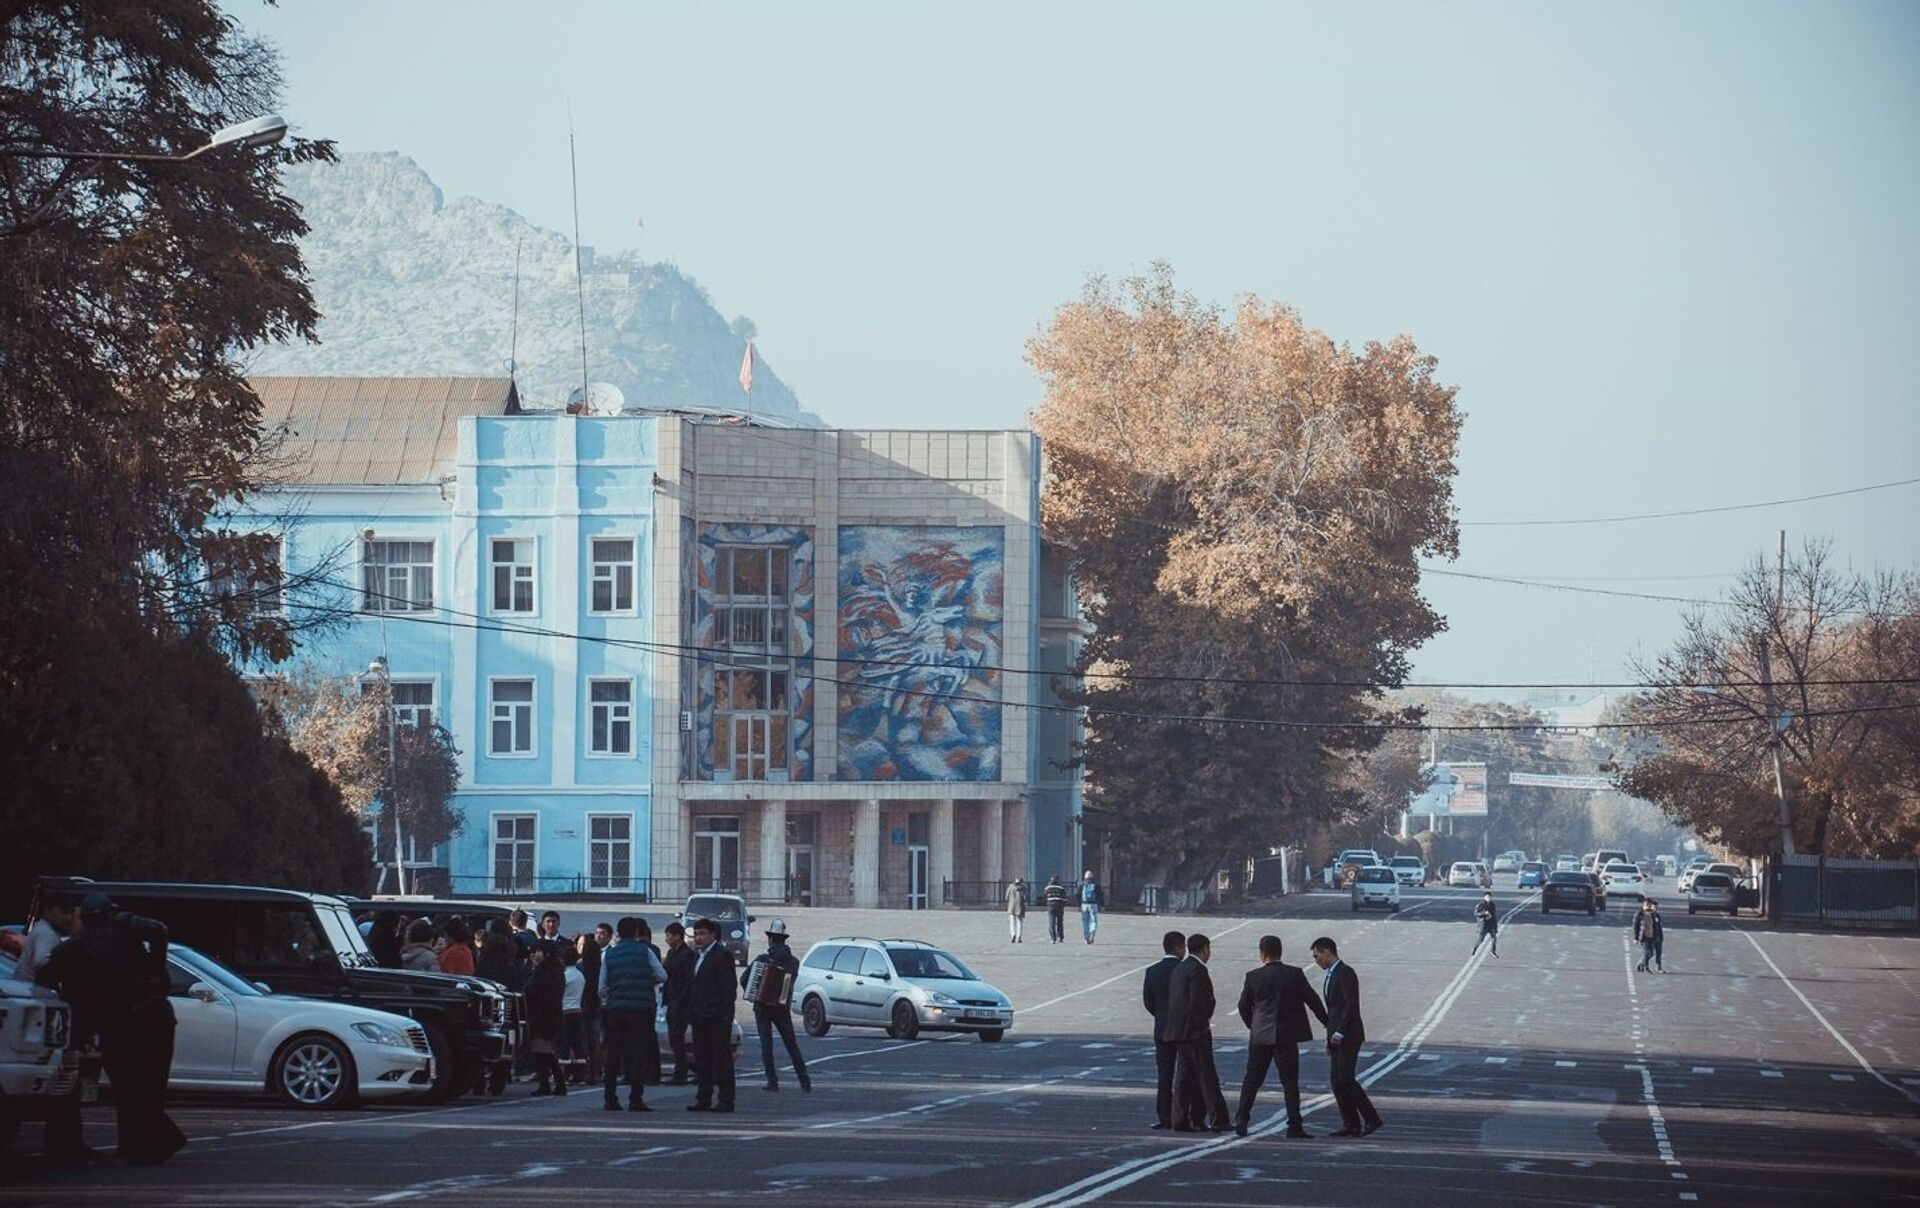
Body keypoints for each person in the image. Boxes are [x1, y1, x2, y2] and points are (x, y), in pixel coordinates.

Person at [36, 894, 187, 1165]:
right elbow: (159, 931)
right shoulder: (127, 934)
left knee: (128, 1086)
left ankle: (143, 1144)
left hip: (122, 1021)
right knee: (149, 1085)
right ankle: (145, 1144)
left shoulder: (78, 946)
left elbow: (48, 975)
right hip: (153, 1014)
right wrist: (156, 969)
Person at [1234, 935, 1327, 1139]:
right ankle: (1294, 1125)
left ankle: (1242, 1119)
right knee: (1290, 1083)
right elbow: (1312, 1000)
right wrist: (1328, 1023)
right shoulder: (1294, 974)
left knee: (1252, 1080)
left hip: (1260, 1036)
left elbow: (1243, 1006)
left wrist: (1254, 1025)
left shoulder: (1253, 976)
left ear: (1262, 954)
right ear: (1280, 952)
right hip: (1286, 1036)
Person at [1311, 936, 1381, 1137]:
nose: (1316, 962)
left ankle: (1371, 1118)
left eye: (1317, 957)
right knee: (1336, 1081)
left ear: (1327, 952)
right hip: (1335, 1036)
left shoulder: (1345, 973)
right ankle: (1350, 1124)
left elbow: (1351, 1005)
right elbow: (1333, 1010)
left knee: (1346, 1079)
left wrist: (1340, 1032)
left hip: (1348, 1035)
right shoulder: (1332, 974)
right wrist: (1329, 1037)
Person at [599, 916, 667, 1112]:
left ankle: (610, 1097)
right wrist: (647, 982)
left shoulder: (610, 954)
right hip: (642, 1009)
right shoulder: (645, 951)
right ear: (637, 932)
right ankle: (636, 1098)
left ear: (618, 933)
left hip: (616, 1009)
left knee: (613, 1054)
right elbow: (662, 975)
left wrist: (610, 998)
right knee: (638, 1053)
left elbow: (602, 986)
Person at [1166, 932, 1230, 1132]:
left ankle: (1179, 1119)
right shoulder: (1198, 971)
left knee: (1183, 1077)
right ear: (1205, 949)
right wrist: (1202, 1024)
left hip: (1178, 1030)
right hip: (1195, 1032)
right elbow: (1198, 1003)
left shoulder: (1179, 969)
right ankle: (1218, 1118)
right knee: (1207, 1076)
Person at [741, 919, 811, 1092]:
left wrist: (754, 993)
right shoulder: (793, 962)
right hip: (781, 1008)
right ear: (784, 940)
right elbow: (789, 983)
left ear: (770, 939)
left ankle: (772, 1081)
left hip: (762, 1008)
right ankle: (804, 1081)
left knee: (766, 1044)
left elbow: (744, 979)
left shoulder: (762, 959)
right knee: (791, 1044)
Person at [686, 917, 738, 1112]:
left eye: (702, 934)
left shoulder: (721, 955)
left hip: (716, 1017)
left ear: (713, 935)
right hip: (699, 1016)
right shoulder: (697, 956)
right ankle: (703, 1098)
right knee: (702, 1059)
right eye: (696, 934)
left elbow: (728, 988)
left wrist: (725, 1014)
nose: (698, 938)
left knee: (721, 1059)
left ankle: (726, 1100)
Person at [1141, 930, 1186, 1130]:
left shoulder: (1152, 971)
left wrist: (1161, 1016)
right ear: (1178, 947)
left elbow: (1148, 1001)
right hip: (1184, 1029)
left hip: (1161, 1028)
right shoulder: (1186, 970)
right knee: (1186, 1074)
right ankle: (1184, 1115)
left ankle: (1164, 1116)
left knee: (1164, 1075)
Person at [525, 939, 568, 1096]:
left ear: (546, 954)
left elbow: (533, 990)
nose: (534, 954)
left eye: (537, 951)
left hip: (543, 1015)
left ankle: (549, 1083)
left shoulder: (546, 972)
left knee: (542, 1051)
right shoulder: (554, 970)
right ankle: (555, 1083)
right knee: (543, 1051)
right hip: (548, 1015)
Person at [17, 893, 79, 983]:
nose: (69, 917)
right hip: (28, 988)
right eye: (64, 912)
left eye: (71, 912)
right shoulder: (45, 932)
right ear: (48, 911)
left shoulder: (47, 929)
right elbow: (41, 962)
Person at [661, 921, 695, 1085]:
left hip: (681, 1002)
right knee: (674, 1039)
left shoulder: (686, 954)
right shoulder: (672, 952)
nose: (667, 939)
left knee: (677, 1038)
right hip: (671, 999)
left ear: (677, 936)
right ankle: (680, 1071)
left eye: (669, 936)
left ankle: (680, 1073)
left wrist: (681, 1000)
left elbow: (688, 981)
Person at [635, 919, 665, 1084]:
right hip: (649, 997)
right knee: (649, 1037)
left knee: (637, 1039)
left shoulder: (646, 950)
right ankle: (653, 1073)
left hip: (639, 998)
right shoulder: (654, 949)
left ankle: (643, 1072)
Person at [575, 932, 604, 1085]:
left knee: (584, 1041)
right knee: (596, 1041)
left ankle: (585, 1072)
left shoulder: (580, 966)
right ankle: (597, 1071)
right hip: (597, 1004)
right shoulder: (601, 966)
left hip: (583, 1004)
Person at [1634, 899, 1666, 972]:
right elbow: (1636, 926)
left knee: (1652, 953)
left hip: (1652, 936)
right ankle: (1645, 965)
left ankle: (1641, 963)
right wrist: (1636, 937)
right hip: (1644, 937)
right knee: (1648, 952)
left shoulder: (1654, 914)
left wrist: (1658, 936)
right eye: (1647, 905)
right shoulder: (1639, 914)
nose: (1649, 907)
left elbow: (1656, 926)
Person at [1079, 871, 1104, 944]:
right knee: (1093, 920)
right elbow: (1100, 895)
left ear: (1085, 877)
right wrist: (1102, 905)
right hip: (1093, 904)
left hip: (1084, 905)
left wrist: (1079, 904)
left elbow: (1077, 894)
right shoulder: (1096, 885)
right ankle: (1092, 931)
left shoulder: (1082, 885)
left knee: (1085, 921)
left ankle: (1086, 937)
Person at [1472, 891, 1499, 958]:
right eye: (1487, 897)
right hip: (1484, 925)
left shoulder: (1492, 904)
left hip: (1491, 924)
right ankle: (1475, 948)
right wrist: (1484, 914)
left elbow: (1494, 915)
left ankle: (1493, 951)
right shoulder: (1481, 905)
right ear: (1484, 897)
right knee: (1481, 940)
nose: (1489, 898)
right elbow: (1476, 914)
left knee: (1494, 938)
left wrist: (1495, 926)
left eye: (1490, 897)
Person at [1043, 875, 1068, 944]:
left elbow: (1044, 897)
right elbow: (1065, 898)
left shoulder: (1047, 888)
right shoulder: (1061, 887)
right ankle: (1060, 937)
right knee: (1060, 922)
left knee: (1051, 922)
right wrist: (1063, 904)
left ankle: (1053, 938)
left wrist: (1047, 903)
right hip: (1059, 906)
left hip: (1051, 906)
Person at [1005, 878, 1027, 944]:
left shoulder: (1010, 887)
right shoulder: (1023, 888)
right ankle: (1019, 937)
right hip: (1020, 906)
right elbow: (1025, 897)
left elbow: (1006, 897)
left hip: (1011, 906)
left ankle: (1013, 934)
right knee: (1019, 922)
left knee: (1012, 922)